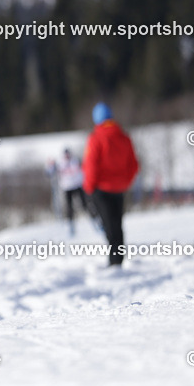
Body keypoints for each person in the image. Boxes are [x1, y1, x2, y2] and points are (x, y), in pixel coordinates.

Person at [83, 102, 139, 267]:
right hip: (119, 189)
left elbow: (91, 165)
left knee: (109, 225)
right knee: (117, 225)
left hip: (101, 189)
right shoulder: (124, 138)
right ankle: (118, 260)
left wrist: (89, 187)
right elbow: (134, 165)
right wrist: (125, 181)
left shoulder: (96, 139)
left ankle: (114, 262)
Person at [51, 149, 86, 236]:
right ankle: (70, 225)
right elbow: (49, 172)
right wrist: (51, 165)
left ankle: (95, 220)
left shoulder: (76, 161)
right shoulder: (60, 163)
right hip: (67, 187)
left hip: (78, 185)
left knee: (84, 204)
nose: (67, 156)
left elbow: (85, 168)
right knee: (69, 207)